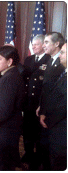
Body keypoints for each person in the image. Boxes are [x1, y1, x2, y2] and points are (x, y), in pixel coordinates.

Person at [36, 32, 65, 170]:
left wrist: (46, 113)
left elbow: (59, 94)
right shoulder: (49, 60)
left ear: (57, 44)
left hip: (55, 116)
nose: (43, 45)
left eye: (47, 42)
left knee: (51, 149)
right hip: (46, 110)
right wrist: (41, 107)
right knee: (44, 145)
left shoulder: (62, 63)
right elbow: (45, 88)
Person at [21, 34, 51, 168]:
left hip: (39, 102)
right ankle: (28, 154)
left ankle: (37, 158)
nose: (33, 47)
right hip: (28, 102)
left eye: (36, 45)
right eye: (32, 45)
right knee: (27, 130)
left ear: (43, 45)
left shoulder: (49, 59)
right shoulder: (28, 59)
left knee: (38, 133)